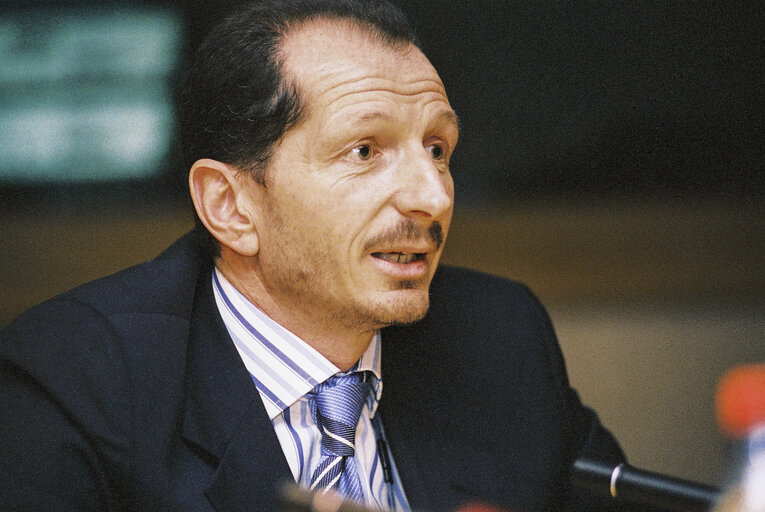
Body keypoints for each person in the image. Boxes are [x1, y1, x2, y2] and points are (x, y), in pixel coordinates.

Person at [0, 1, 637, 511]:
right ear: (230, 206)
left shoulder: (500, 336)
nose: (433, 195)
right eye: (364, 151)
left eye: (438, 148)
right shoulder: (77, 379)